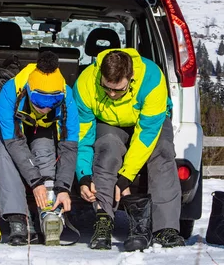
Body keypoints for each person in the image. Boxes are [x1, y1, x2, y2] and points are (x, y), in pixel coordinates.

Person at [73, 48, 185, 251]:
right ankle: (103, 220)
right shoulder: (85, 84)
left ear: (130, 77)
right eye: (107, 88)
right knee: (107, 149)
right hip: (109, 122)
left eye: (119, 89)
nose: (112, 94)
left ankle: (166, 228)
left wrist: (126, 177)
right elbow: (83, 136)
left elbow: (146, 135)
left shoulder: (152, 79)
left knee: (162, 152)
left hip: (147, 123)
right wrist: (83, 175)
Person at [0, 50, 80, 246]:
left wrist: (63, 187)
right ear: (29, 92)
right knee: (5, 157)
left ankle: (49, 210)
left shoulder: (68, 97)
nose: (46, 108)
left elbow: (69, 146)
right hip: (13, 126)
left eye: (53, 102)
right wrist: (35, 182)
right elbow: (14, 142)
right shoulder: (10, 91)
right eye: (41, 101)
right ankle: (17, 218)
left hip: (43, 127)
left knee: (45, 149)